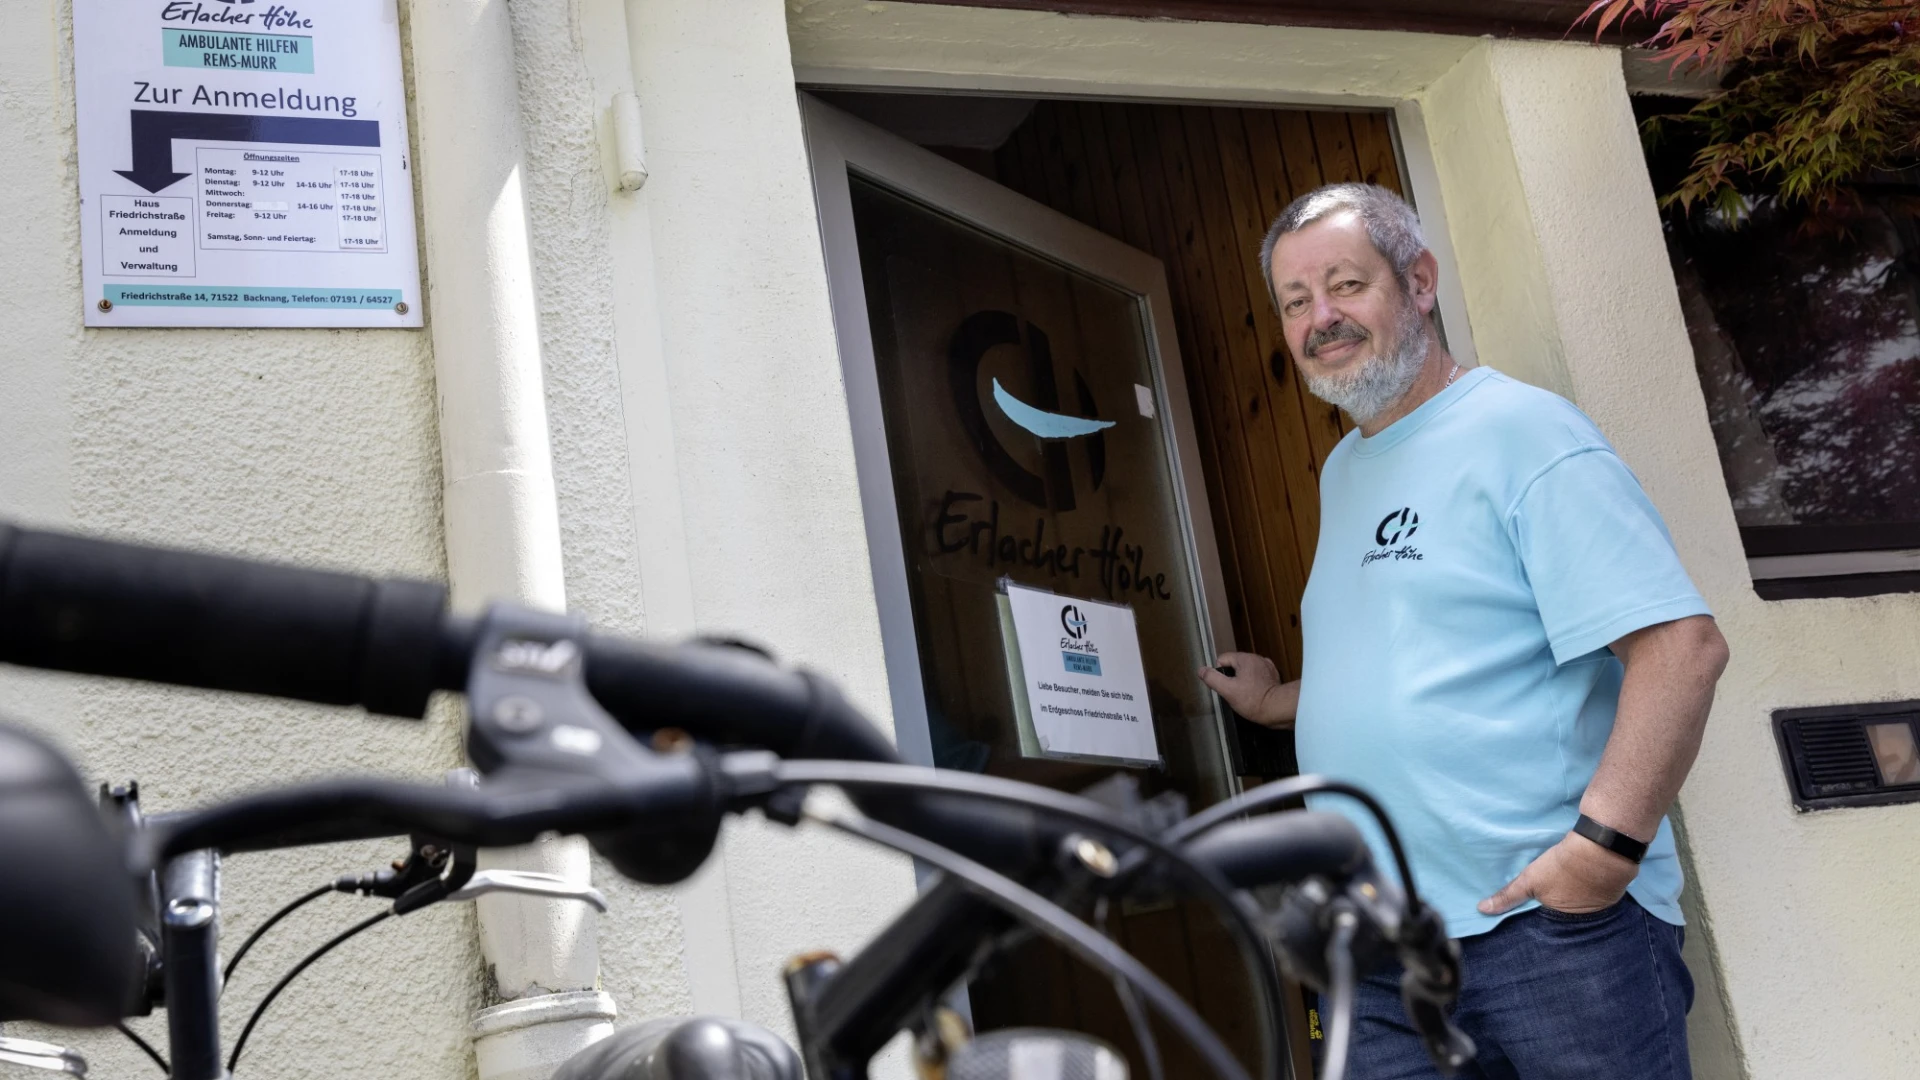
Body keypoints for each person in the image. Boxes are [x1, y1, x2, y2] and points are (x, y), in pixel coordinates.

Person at [1199, 183, 1730, 1080]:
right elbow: (1417, 660)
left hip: (1542, 932)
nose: (1320, 318)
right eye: (1296, 302)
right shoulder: (1344, 470)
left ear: (1419, 279)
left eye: (1345, 285)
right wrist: (1274, 701)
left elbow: (1682, 649)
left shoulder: (1522, 431)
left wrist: (1601, 855)